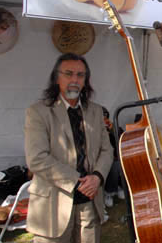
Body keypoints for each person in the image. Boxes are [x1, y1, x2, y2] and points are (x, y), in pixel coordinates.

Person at [24, 53, 113, 243]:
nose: (75, 79)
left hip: (89, 202)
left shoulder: (96, 112)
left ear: (86, 80)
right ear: (57, 78)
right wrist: (78, 181)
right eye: (69, 73)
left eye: (80, 75)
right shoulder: (38, 112)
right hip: (52, 206)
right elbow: (37, 158)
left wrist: (97, 177)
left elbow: (107, 150)